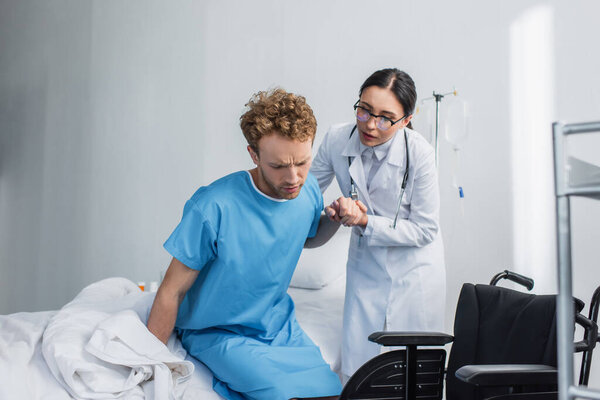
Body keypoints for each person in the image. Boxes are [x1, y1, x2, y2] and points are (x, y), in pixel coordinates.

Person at [147, 88, 342, 400]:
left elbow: (307, 237)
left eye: (302, 163)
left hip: (278, 327)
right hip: (217, 332)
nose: (293, 177)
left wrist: (334, 219)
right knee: (280, 395)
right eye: (278, 166)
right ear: (254, 155)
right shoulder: (213, 206)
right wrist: (149, 363)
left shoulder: (307, 195)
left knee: (332, 393)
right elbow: (172, 290)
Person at [310, 68, 446, 381]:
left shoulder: (420, 155)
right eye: (364, 110)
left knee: (416, 374)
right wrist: (325, 215)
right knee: (358, 366)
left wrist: (364, 220)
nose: (371, 124)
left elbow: (426, 230)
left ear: (406, 120)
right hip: (365, 266)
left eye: (386, 118)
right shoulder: (335, 139)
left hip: (415, 271)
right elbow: (304, 193)